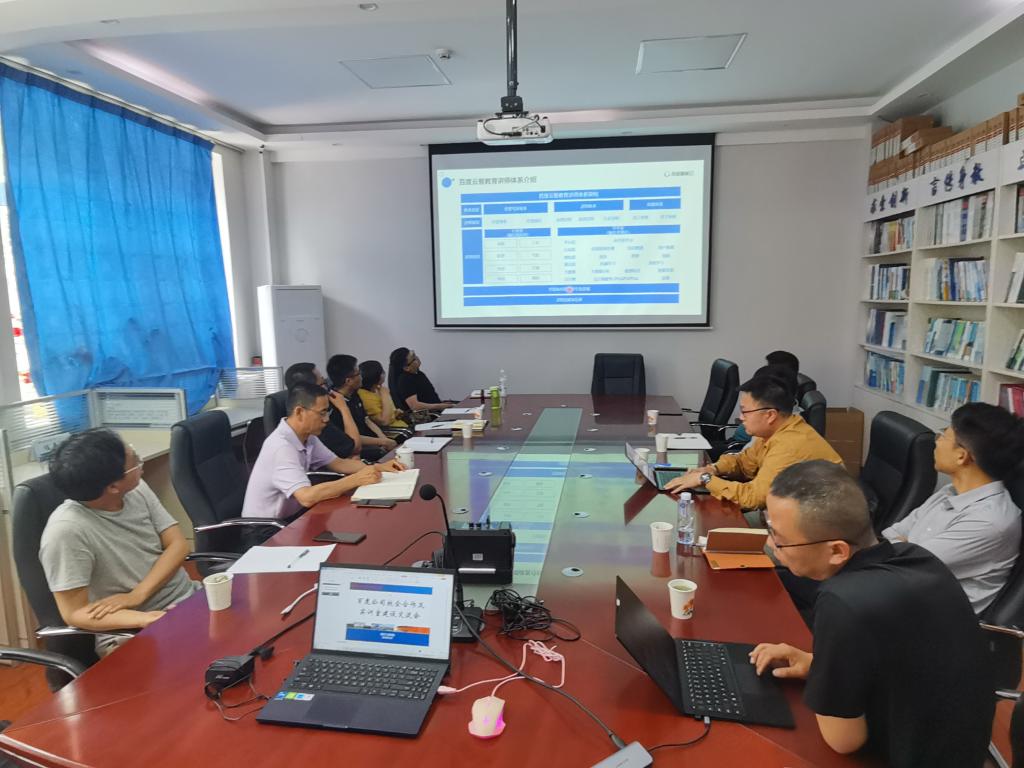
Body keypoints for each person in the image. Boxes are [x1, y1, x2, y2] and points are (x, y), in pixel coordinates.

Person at [750, 461, 993, 767]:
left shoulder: (842, 600)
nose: (771, 544)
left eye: (780, 538)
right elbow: (902, 663)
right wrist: (818, 665)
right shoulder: (917, 558)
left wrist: (825, 680)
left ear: (837, 551)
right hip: (964, 748)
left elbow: (844, 741)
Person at [40, 430, 198, 654]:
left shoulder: (136, 489)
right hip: (130, 631)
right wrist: (144, 619)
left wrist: (137, 594)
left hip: (189, 598)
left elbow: (178, 545)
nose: (139, 461)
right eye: (134, 460)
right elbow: (74, 613)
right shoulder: (65, 531)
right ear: (113, 487)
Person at [882, 402, 1024, 613]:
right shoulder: (951, 491)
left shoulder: (989, 521)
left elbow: (905, 563)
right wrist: (904, 545)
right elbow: (892, 535)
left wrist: (906, 544)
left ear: (962, 456)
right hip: (904, 593)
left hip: (935, 617)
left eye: (943, 435)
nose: (937, 441)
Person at [666, 372, 843, 514]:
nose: (741, 418)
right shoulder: (771, 432)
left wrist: (705, 479)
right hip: (790, 514)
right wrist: (713, 469)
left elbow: (753, 499)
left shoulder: (789, 446)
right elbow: (744, 464)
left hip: (816, 530)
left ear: (770, 415)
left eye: (745, 412)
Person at [241, 381, 403, 521]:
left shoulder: (307, 436)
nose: (326, 419)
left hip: (294, 517)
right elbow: (306, 497)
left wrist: (378, 467)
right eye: (322, 413)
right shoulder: (282, 447)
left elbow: (339, 464)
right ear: (299, 412)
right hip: (266, 529)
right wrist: (356, 480)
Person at [284, 361, 361, 459]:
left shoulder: (308, 430)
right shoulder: (316, 422)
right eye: (322, 384)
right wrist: (343, 408)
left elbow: (336, 461)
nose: (326, 388)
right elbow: (355, 447)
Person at [327, 354, 397, 458]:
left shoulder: (354, 393)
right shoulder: (334, 404)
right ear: (348, 381)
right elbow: (349, 439)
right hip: (355, 450)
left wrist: (383, 438)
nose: (362, 377)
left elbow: (366, 420)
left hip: (371, 440)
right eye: (358, 373)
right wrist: (381, 441)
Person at [729, 352, 801, 448]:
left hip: (737, 445)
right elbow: (749, 454)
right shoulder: (766, 425)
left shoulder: (774, 430)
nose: (741, 417)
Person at [388, 347, 456, 414]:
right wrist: (440, 406)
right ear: (406, 368)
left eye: (415, 355)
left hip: (437, 410)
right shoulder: (404, 380)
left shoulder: (419, 374)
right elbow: (415, 406)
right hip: (430, 416)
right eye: (414, 358)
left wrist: (442, 403)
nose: (417, 358)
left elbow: (428, 397)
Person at [358, 360, 413, 440]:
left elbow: (389, 412)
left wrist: (396, 413)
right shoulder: (364, 395)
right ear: (377, 376)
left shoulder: (378, 389)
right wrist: (385, 395)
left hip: (399, 425)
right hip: (389, 432)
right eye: (382, 371)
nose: (384, 373)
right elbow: (384, 421)